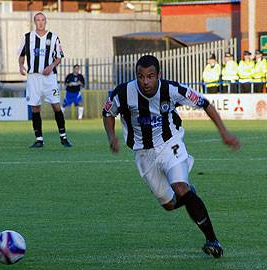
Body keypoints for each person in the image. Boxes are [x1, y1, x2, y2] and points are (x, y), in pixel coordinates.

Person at [102, 55, 241, 258]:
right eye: (141, 76)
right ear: (136, 76)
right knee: (169, 204)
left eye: (150, 76)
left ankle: (212, 240)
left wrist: (225, 134)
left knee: (180, 187)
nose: (145, 81)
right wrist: (111, 137)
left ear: (159, 75)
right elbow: (107, 113)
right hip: (143, 153)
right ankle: (188, 194)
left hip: (170, 144)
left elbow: (206, 104)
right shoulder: (122, 93)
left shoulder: (172, 89)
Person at [18, 12, 72, 148]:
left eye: (42, 20)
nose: (40, 22)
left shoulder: (53, 38)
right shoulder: (27, 37)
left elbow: (59, 57)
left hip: (49, 78)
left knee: (56, 106)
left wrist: (51, 66)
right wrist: (20, 66)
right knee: (35, 108)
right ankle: (39, 139)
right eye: (37, 20)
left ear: (45, 21)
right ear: (34, 22)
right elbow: (21, 55)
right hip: (33, 77)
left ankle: (63, 137)